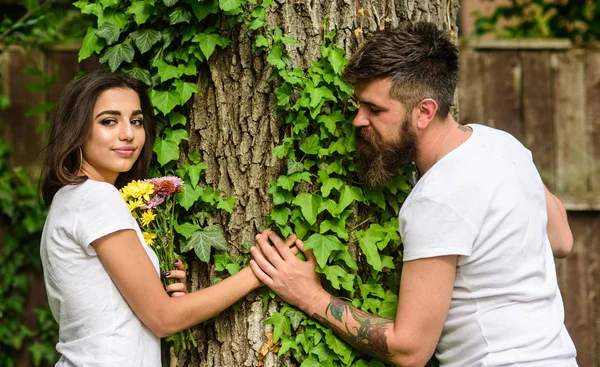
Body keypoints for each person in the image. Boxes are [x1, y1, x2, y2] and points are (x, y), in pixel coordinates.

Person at [249, 22, 577, 367]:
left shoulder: (436, 199)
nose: (359, 120)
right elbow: (562, 240)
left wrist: (312, 297)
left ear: (424, 112)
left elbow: (410, 349)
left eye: (375, 110)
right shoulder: (502, 144)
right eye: (359, 106)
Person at [39, 72, 273, 366]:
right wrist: (259, 272)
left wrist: (164, 292)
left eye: (136, 121)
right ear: (77, 129)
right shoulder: (95, 198)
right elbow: (163, 319)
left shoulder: (71, 198)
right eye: (109, 121)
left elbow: (112, 308)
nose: (128, 134)